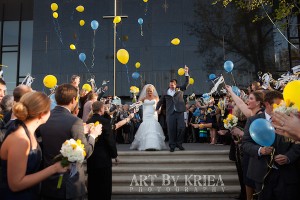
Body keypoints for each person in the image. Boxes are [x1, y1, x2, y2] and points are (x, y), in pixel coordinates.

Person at [37, 84, 102, 200]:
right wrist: (93, 135)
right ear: (73, 100)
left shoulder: (45, 118)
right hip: (70, 184)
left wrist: (83, 131)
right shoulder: (75, 121)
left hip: (47, 181)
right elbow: (85, 152)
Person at [0, 92, 68, 200]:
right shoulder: (20, 139)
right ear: (41, 114)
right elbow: (15, 184)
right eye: (49, 109)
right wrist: (54, 168)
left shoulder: (28, 131)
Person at [242, 90, 300, 199]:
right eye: (277, 104)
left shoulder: (289, 120)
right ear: (268, 104)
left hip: (285, 175)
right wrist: (260, 150)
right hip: (261, 174)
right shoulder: (253, 120)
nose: (281, 107)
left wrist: (288, 157)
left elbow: (297, 143)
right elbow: (245, 144)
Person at [86, 101, 118, 200]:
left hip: (91, 156)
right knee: (105, 186)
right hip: (104, 158)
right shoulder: (105, 122)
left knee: (92, 184)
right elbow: (110, 140)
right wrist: (114, 154)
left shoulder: (88, 121)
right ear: (101, 109)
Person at [156, 66, 190, 152]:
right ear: (169, 85)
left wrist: (186, 73)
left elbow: (186, 83)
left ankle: (179, 143)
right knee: (171, 129)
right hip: (170, 113)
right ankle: (172, 146)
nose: (171, 86)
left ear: (175, 85)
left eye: (173, 84)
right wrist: (157, 109)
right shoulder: (165, 92)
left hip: (179, 112)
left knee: (182, 128)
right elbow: (161, 101)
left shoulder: (180, 89)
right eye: (170, 84)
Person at [131, 84, 167, 151]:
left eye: (150, 91)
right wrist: (134, 98)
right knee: (146, 128)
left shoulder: (156, 97)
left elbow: (159, 105)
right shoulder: (144, 98)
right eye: (148, 91)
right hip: (146, 115)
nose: (149, 92)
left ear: (153, 91)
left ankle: (154, 145)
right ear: (146, 91)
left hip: (153, 114)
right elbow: (138, 104)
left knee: (153, 128)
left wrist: (158, 110)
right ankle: (146, 145)